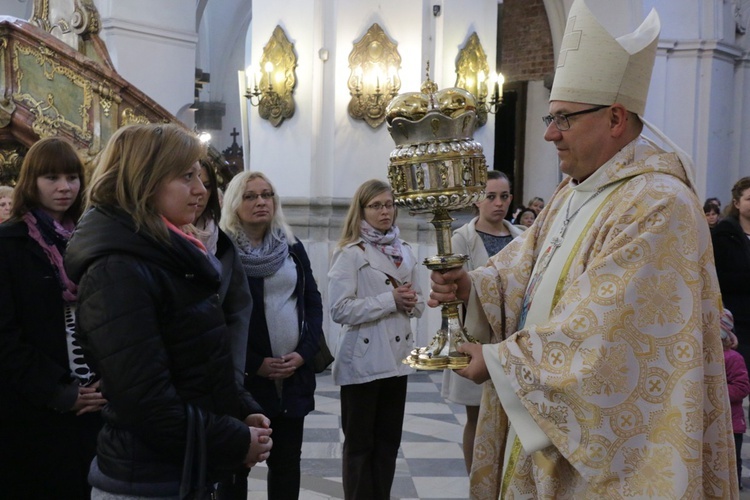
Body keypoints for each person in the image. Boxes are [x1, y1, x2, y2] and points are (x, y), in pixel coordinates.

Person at [428, 1, 736, 497]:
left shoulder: (659, 203)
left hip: (612, 455)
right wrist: (472, 288)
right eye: (550, 117)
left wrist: (503, 362)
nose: (549, 133)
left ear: (615, 117)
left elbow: (608, 332)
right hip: (542, 434)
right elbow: (524, 271)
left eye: (564, 119)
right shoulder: (573, 190)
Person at [64, 123, 272, 498]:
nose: (201, 189)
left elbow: (194, 362)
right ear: (144, 181)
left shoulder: (170, 252)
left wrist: (240, 408)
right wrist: (234, 439)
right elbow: (145, 403)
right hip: (145, 479)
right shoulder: (118, 269)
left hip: (180, 470)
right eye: (185, 176)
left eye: (200, 175)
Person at [0, 137, 105, 499]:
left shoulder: (90, 239)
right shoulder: (9, 243)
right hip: (34, 405)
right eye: (51, 178)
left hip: (94, 398)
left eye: (72, 177)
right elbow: (5, 336)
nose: (65, 187)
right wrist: (58, 391)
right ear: (31, 182)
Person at [220, 170, 324, 500]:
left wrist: (304, 353)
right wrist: (254, 364)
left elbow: (312, 300)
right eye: (250, 196)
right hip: (245, 380)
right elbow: (217, 319)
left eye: (267, 194)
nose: (261, 202)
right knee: (236, 466)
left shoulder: (291, 246)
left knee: (286, 463)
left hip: (291, 379)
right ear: (235, 203)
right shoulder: (222, 252)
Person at [328, 179, 424, 499]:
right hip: (363, 358)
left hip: (397, 359)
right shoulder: (350, 253)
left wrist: (413, 303)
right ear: (362, 210)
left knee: (387, 444)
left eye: (389, 204)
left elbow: (419, 301)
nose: (385, 211)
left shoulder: (406, 251)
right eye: (376, 206)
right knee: (359, 446)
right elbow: (340, 309)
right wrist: (390, 301)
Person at [441, 170, 523, 473]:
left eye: (504, 196)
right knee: (476, 416)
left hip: (512, 338)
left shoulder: (521, 237)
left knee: (511, 415)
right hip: (476, 336)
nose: (498, 203)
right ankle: (477, 479)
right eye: (491, 196)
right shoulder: (462, 238)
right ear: (478, 200)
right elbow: (454, 290)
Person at [712, 176, 750, 371]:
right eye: (749, 199)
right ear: (736, 203)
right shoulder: (724, 233)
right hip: (739, 316)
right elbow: (717, 276)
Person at [721, 308, 750, 489]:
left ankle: (734, 487)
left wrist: (716, 393)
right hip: (714, 420)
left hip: (731, 422)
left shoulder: (733, 358)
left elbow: (742, 387)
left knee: (732, 458)